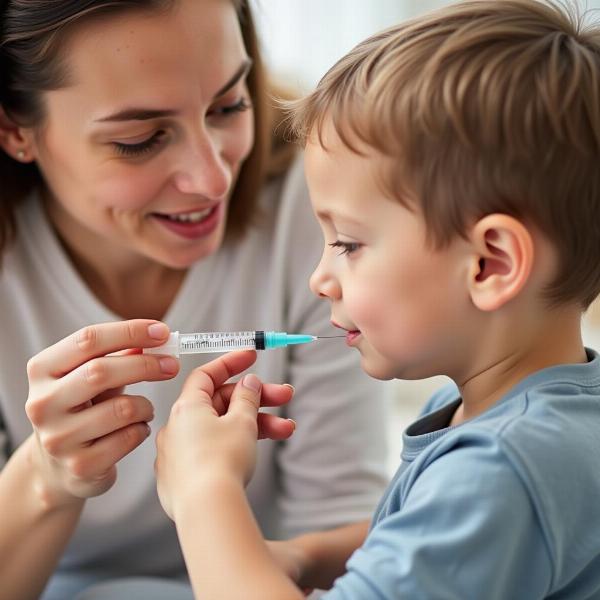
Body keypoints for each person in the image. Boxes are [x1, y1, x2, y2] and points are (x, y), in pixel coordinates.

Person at [154, 0, 600, 598]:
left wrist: (204, 488)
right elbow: (431, 540)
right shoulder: (520, 412)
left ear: (490, 263)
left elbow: (471, 510)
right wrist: (306, 556)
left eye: (347, 242)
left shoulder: (504, 468)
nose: (319, 279)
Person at [0, 1, 389, 599]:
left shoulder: (316, 213)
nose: (213, 181)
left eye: (229, 105)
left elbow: (347, 550)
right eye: (141, 139)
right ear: (14, 129)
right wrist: (49, 478)